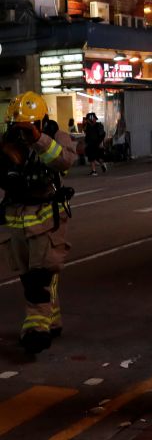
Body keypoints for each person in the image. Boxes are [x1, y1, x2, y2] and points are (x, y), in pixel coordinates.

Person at [0, 92, 77, 354]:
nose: (21, 133)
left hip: (46, 219)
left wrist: (37, 139)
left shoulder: (56, 137)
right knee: (27, 275)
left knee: (40, 276)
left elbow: (64, 162)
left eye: (27, 126)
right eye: (17, 127)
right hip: (16, 218)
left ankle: (36, 328)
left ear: (41, 122)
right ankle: (52, 320)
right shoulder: (9, 144)